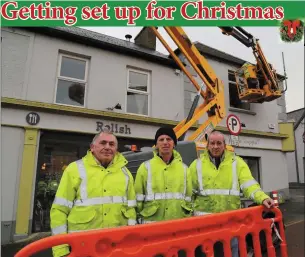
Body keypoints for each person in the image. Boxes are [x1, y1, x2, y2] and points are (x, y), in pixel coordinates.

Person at [50, 129, 137, 257]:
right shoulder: (74, 170)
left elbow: (131, 211)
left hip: (116, 247)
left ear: (116, 149)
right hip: (82, 248)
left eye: (111, 144)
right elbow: (59, 210)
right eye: (103, 143)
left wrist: (130, 244)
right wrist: (61, 250)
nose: (107, 147)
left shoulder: (125, 174)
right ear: (92, 147)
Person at [190, 130, 274, 257]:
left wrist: (262, 198)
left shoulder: (237, 163)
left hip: (230, 224)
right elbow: (188, 192)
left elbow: (249, 185)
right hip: (205, 226)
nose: (215, 146)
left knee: (230, 253)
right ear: (207, 145)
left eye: (219, 143)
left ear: (224, 145)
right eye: (212, 143)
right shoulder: (196, 165)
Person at [134, 126, 193, 225]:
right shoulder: (145, 168)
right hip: (151, 227)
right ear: (156, 144)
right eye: (161, 139)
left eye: (169, 139)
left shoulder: (185, 169)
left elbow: (189, 199)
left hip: (177, 225)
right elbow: (137, 199)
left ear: (174, 143)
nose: (165, 142)